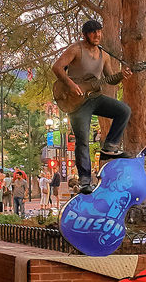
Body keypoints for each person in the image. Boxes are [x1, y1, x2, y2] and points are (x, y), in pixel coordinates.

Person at [52, 19, 132, 194]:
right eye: (93, 32)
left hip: (95, 98)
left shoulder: (104, 55)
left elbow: (110, 78)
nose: (97, 35)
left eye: (99, 31)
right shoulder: (76, 49)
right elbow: (56, 67)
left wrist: (122, 75)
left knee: (124, 111)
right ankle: (85, 181)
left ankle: (110, 146)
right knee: (83, 140)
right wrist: (71, 85)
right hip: (77, 102)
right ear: (85, 34)